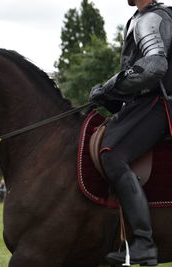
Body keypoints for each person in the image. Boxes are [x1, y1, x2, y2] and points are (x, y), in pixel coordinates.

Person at [88, 0, 172, 265]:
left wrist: (109, 87)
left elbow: (155, 66)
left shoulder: (151, 18)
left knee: (111, 153)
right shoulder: (140, 17)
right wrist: (108, 95)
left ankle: (144, 243)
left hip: (158, 104)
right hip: (144, 102)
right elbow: (136, 72)